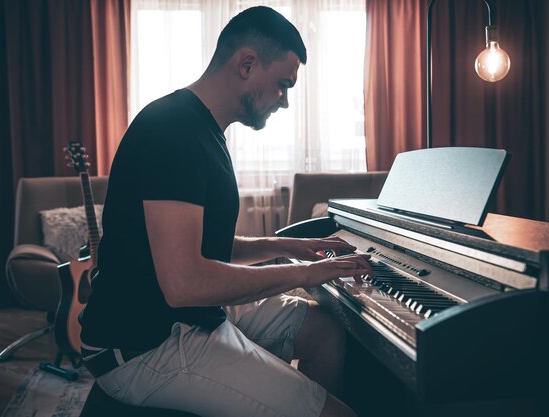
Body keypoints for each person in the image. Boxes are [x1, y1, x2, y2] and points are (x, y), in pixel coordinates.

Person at [79, 6, 372, 417]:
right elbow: (184, 283)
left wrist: (287, 245)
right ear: (247, 64)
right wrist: (307, 274)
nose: (285, 101)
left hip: (178, 316)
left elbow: (200, 246)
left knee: (324, 329)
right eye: (283, 85)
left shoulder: (201, 130)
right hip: (141, 344)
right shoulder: (173, 132)